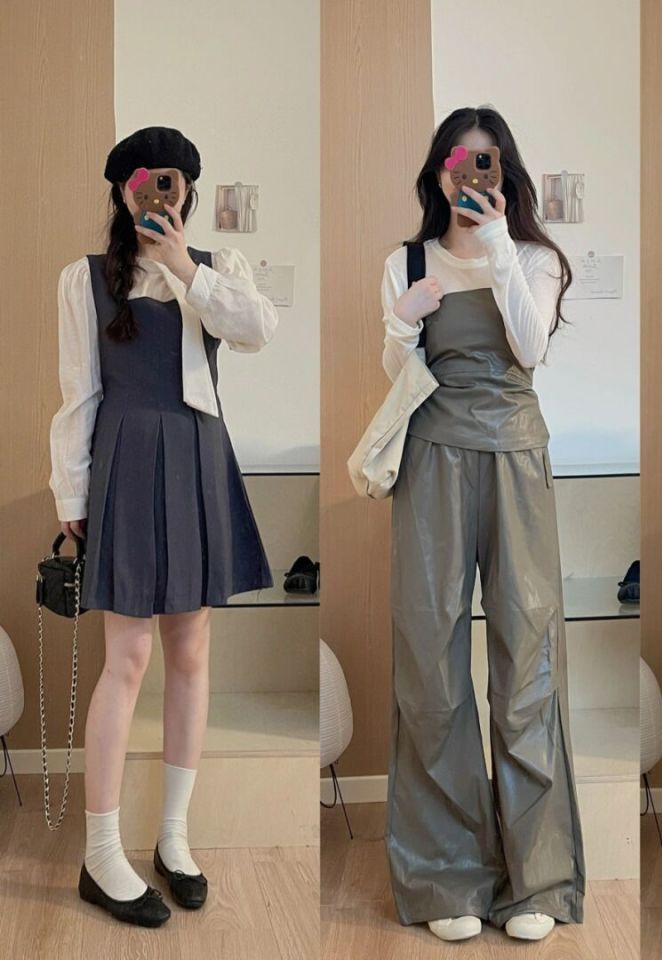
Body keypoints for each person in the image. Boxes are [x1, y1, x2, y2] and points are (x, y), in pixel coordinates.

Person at [49, 126, 278, 927]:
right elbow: (78, 392)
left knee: (190, 651)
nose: (157, 193)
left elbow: (257, 331)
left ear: (187, 192)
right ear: (123, 190)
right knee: (127, 658)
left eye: (171, 182)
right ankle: (100, 852)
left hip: (196, 455)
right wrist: (71, 490)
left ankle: (174, 836)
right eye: (144, 180)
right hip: (125, 457)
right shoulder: (84, 280)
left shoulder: (215, 269)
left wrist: (184, 266)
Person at [378, 106, 586, 943]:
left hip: (515, 457)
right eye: (457, 162)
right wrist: (403, 317)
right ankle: (445, 876)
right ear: (438, 171)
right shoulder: (405, 260)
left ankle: (537, 877)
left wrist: (497, 244)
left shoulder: (535, 257)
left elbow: (530, 350)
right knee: (430, 661)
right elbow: (397, 372)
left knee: (526, 656)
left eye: (486, 162)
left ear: (505, 171)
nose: (470, 175)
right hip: (431, 456)